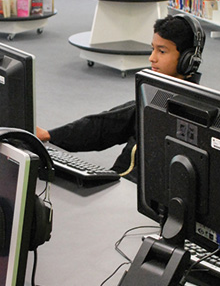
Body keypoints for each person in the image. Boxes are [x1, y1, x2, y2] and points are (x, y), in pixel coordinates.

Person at [36, 14, 205, 178]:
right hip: (122, 184)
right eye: (152, 49)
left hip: (133, 189)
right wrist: (51, 136)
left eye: (162, 51)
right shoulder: (156, 98)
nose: (152, 58)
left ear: (188, 60)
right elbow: (106, 125)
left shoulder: (194, 115)